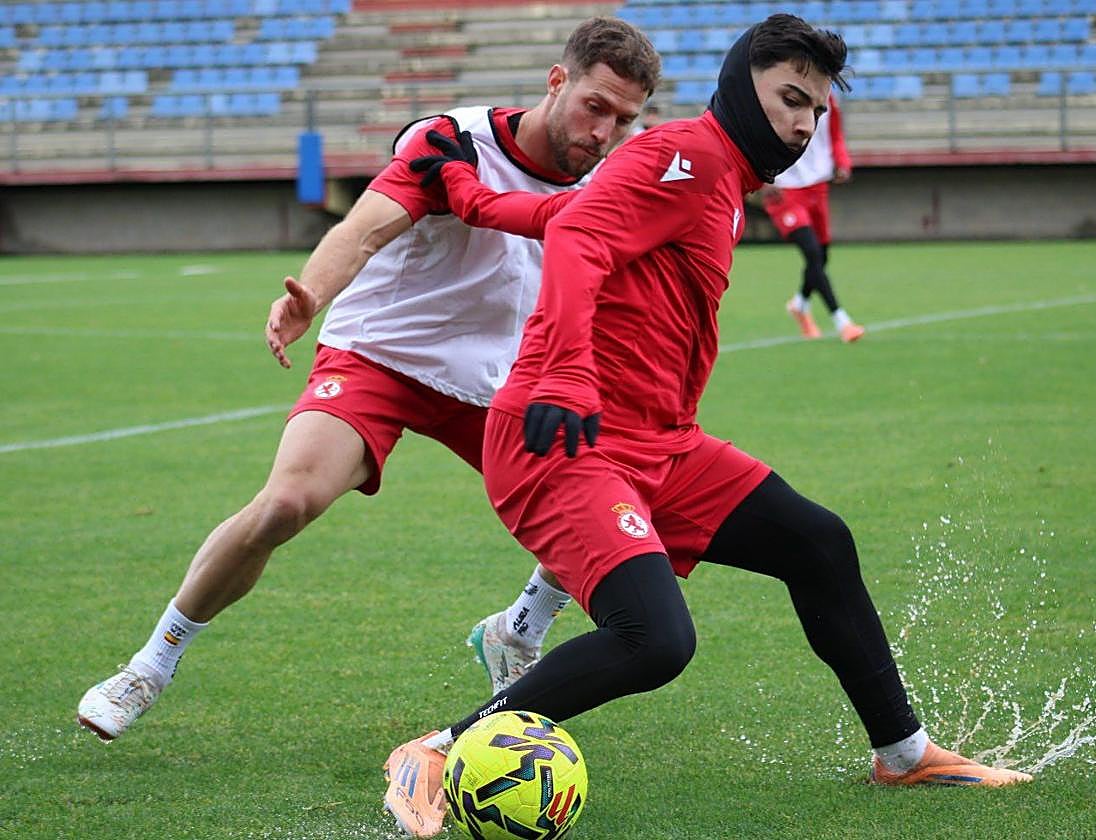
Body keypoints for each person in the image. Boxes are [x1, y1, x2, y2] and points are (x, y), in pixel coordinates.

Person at [381, 14, 1031, 837]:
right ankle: (436, 750)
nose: (803, 123)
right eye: (789, 98)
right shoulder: (684, 155)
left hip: (659, 443)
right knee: (653, 640)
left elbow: (571, 212)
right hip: (568, 435)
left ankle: (904, 755)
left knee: (817, 544)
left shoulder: (715, 174)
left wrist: (472, 199)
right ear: (738, 87)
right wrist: (569, 373)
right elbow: (580, 232)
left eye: (816, 110)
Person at [75, 17, 660, 747]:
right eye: (594, 106)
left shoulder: (618, 173)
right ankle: (150, 665)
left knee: (612, 500)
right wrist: (311, 297)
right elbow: (363, 231)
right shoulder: (455, 142)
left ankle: (519, 628)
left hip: (504, 380)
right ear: (556, 81)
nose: (603, 132)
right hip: (383, 355)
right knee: (286, 502)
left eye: (623, 120)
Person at [761, 90, 865, 342]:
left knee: (822, 255)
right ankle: (842, 321)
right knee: (813, 253)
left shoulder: (829, 99)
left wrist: (842, 162)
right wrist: (762, 175)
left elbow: (835, 135)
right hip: (785, 190)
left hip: (817, 185)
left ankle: (800, 304)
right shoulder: (778, 93)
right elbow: (757, 136)